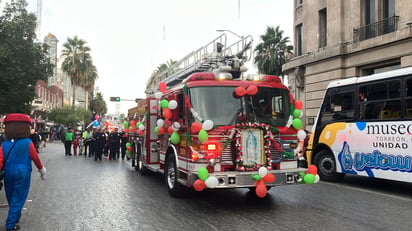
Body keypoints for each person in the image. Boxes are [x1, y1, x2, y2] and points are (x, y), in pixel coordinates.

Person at [0, 113, 46, 231]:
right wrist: (41, 169)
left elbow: (0, 160)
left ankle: (15, 216)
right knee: (19, 197)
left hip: (8, 173)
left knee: (11, 196)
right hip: (23, 173)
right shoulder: (28, 143)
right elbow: (35, 158)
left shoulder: (4, 144)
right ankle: (10, 224)